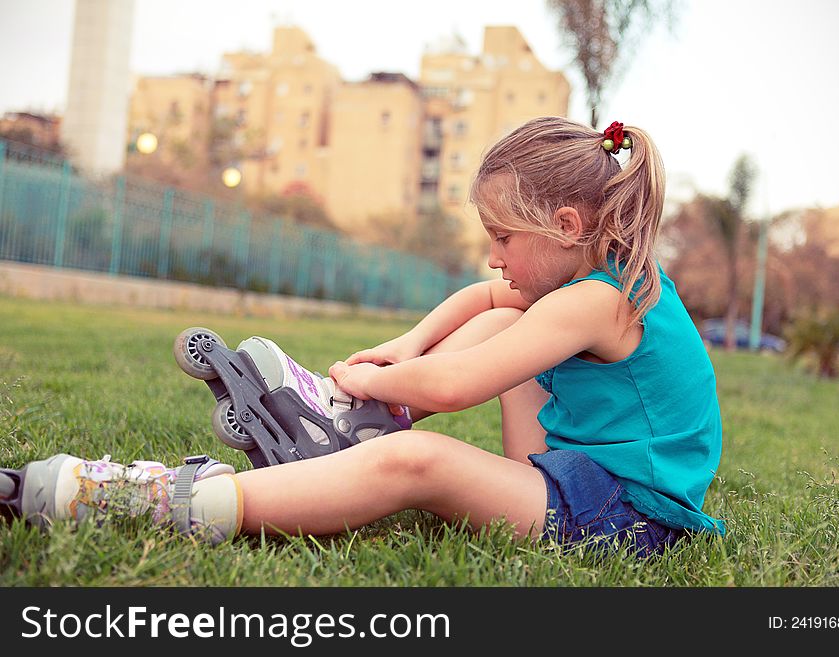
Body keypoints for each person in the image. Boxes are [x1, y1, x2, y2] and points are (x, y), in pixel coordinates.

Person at [2, 117, 725, 558]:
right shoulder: (592, 274)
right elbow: (484, 298)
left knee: (414, 462)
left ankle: (170, 497)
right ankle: (346, 429)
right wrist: (409, 345)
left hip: (621, 516)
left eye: (503, 236)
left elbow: (457, 385)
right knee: (504, 318)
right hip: (571, 474)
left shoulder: (598, 302)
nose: (494, 255)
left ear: (566, 226)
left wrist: (367, 375)